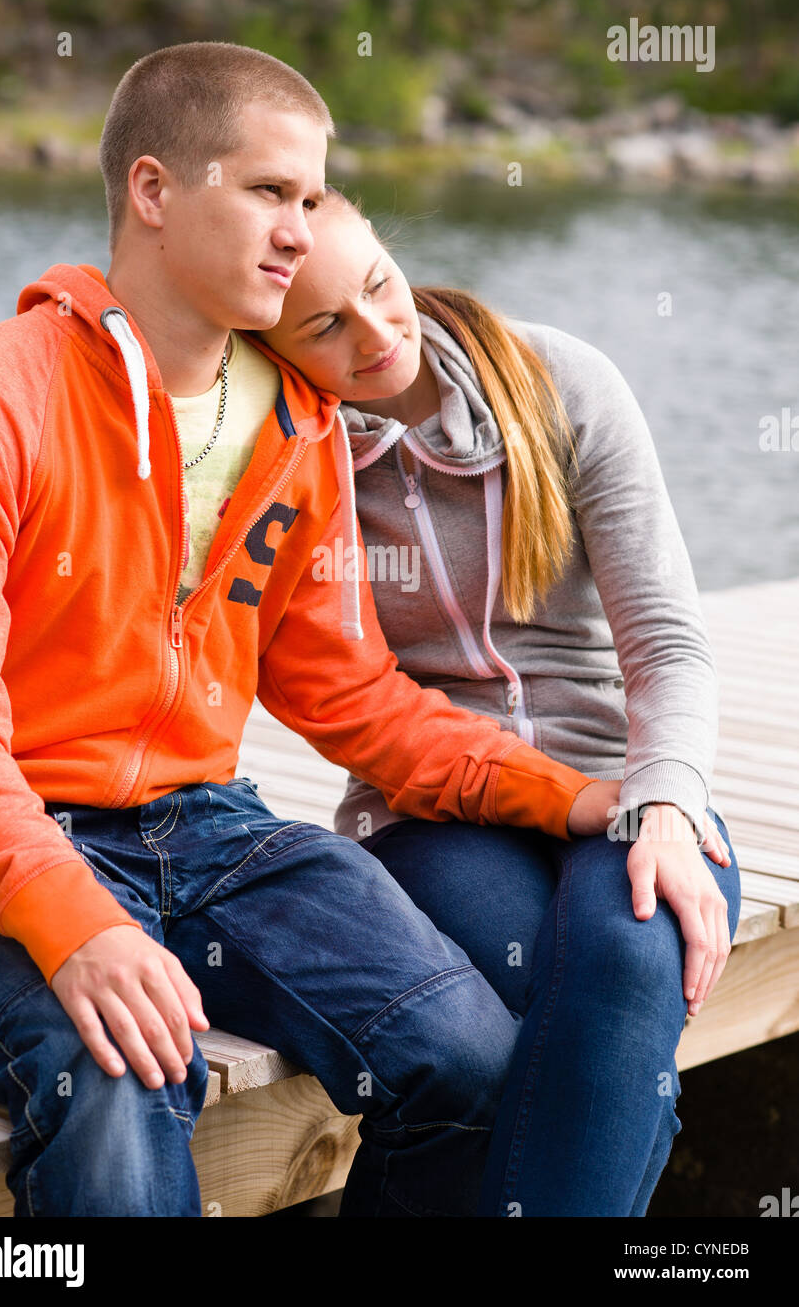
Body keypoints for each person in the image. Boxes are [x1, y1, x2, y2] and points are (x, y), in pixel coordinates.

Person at [0, 42, 623, 1219]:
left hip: (206, 826)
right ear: (154, 191)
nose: (300, 231)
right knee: (121, 1077)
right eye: (266, 191)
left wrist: (573, 796)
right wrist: (73, 923)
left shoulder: (301, 429)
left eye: (309, 198)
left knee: (465, 1054)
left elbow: (352, 698)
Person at [257, 184, 742, 1217]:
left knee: (626, 953)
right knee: (530, 979)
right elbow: (336, 686)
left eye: (379, 285)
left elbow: (665, 641)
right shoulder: (288, 456)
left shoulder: (557, 380)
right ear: (274, 347)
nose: (379, 333)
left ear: (392, 250)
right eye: (325, 326)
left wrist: (664, 803)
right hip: (436, 803)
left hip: (621, 772)